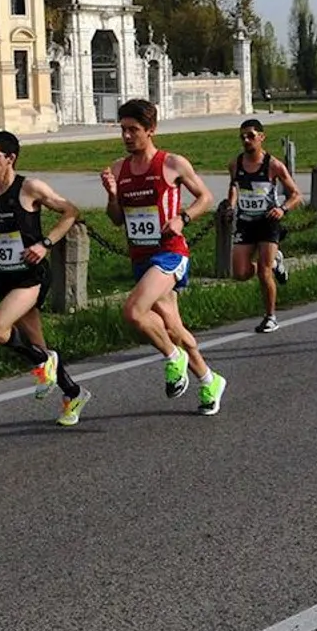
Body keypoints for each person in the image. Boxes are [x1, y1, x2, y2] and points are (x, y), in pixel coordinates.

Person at [102, 99, 227, 415]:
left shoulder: (171, 164)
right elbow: (116, 218)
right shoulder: (118, 169)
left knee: (133, 311)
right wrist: (112, 194)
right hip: (141, 257)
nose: (127, 136)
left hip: (170, 254)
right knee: (172, 326)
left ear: (151, 130)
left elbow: (206, 197)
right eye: (123, 130)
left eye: (134, 130)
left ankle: (174, 358)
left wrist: (183, 219)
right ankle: (210, 380)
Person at [0, 130, 91, 426]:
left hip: (31, 277)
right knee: (38, 346)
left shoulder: (29, 187)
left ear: (11, 158)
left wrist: (45, 245)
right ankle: (73, 393)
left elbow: (70, 211)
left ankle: (44, 362)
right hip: (5, 277)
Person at [226, 119, 304, 334]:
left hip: (268, 222)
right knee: (240, 273)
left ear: (261, 137)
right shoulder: (235, 164)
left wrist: (283, 209)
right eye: (242, 136)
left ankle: (270, 317)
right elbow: (234, 187)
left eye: (251, 135)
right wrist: (231, 206)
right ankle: (275, 259)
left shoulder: (273, 165)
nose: (246, 140)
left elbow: (296, 195)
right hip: (245, 222)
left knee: (264, 271)